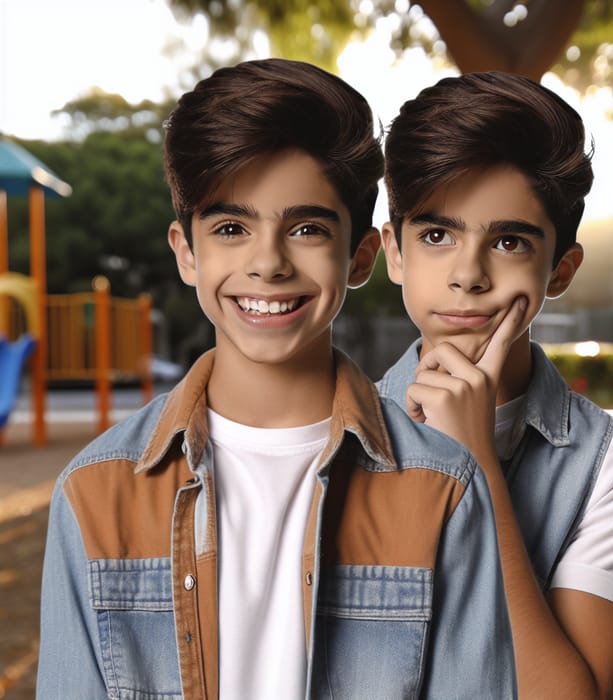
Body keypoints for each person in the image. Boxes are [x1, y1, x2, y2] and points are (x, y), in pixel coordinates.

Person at [37, 59, 516, 699]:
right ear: (186, 252)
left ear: (360, 257)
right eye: (231, 229)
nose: (267, 263)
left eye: (307, 228)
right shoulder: (94, 494)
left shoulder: (444, 489)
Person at [377, 71, 613, 699]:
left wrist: (475, 464)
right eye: (436, 235)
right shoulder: (325, 430)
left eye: (508, 241)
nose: (468, 274)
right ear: (394, 254)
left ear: (560, 270)